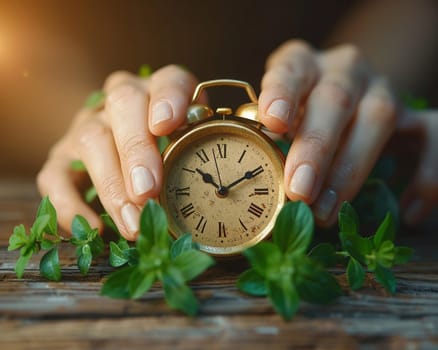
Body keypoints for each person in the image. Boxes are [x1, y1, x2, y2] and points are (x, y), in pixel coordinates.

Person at [36, 2, 438, 241]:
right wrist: (99, 122)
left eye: (221, 183)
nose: (222, 187)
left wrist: (356, 99)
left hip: (305, 96)